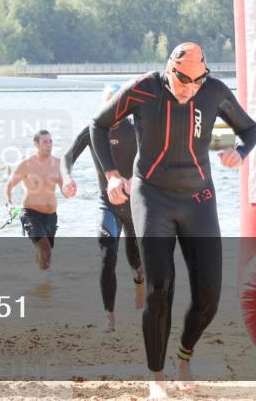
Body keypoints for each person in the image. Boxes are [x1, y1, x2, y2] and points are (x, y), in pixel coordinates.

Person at [90, 43, 256, 400]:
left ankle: (185, 353)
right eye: (184, 82)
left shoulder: (214, 91)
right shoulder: (143, 88)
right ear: (170, 71)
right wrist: (112, 175)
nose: (191, 89)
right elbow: (98, 124)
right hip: (152, 196)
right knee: (160, 288)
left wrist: (241, 153)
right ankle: (156, 378)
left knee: (210, 294)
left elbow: (250, 130)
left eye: (198, 82)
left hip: (199, 199)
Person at [63, 83, 145, 332]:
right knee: (107, 255)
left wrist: (138, 178)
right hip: (106, 203)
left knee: (136, 260)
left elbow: (155, 158)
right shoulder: (93, 129)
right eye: (108, 103)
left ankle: (139, 281)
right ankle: (109, 317)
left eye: (117, 103)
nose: (113, 109)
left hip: (133, 204)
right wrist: (67, 178)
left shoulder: (135, 129)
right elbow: (67, 158)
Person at [6, 130, 77, 271]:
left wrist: (69, 190)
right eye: (45, 141)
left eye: (50, 141)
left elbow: (64, 188)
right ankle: (45, 285)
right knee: (46, 250)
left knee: (45, 250)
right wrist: (9, 204)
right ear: (36, 144)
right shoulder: (27, 164)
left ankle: (36, 279)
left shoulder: (58, 164)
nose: (49, 144)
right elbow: (10, 185)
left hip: (51, 216)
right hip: (31, 214)